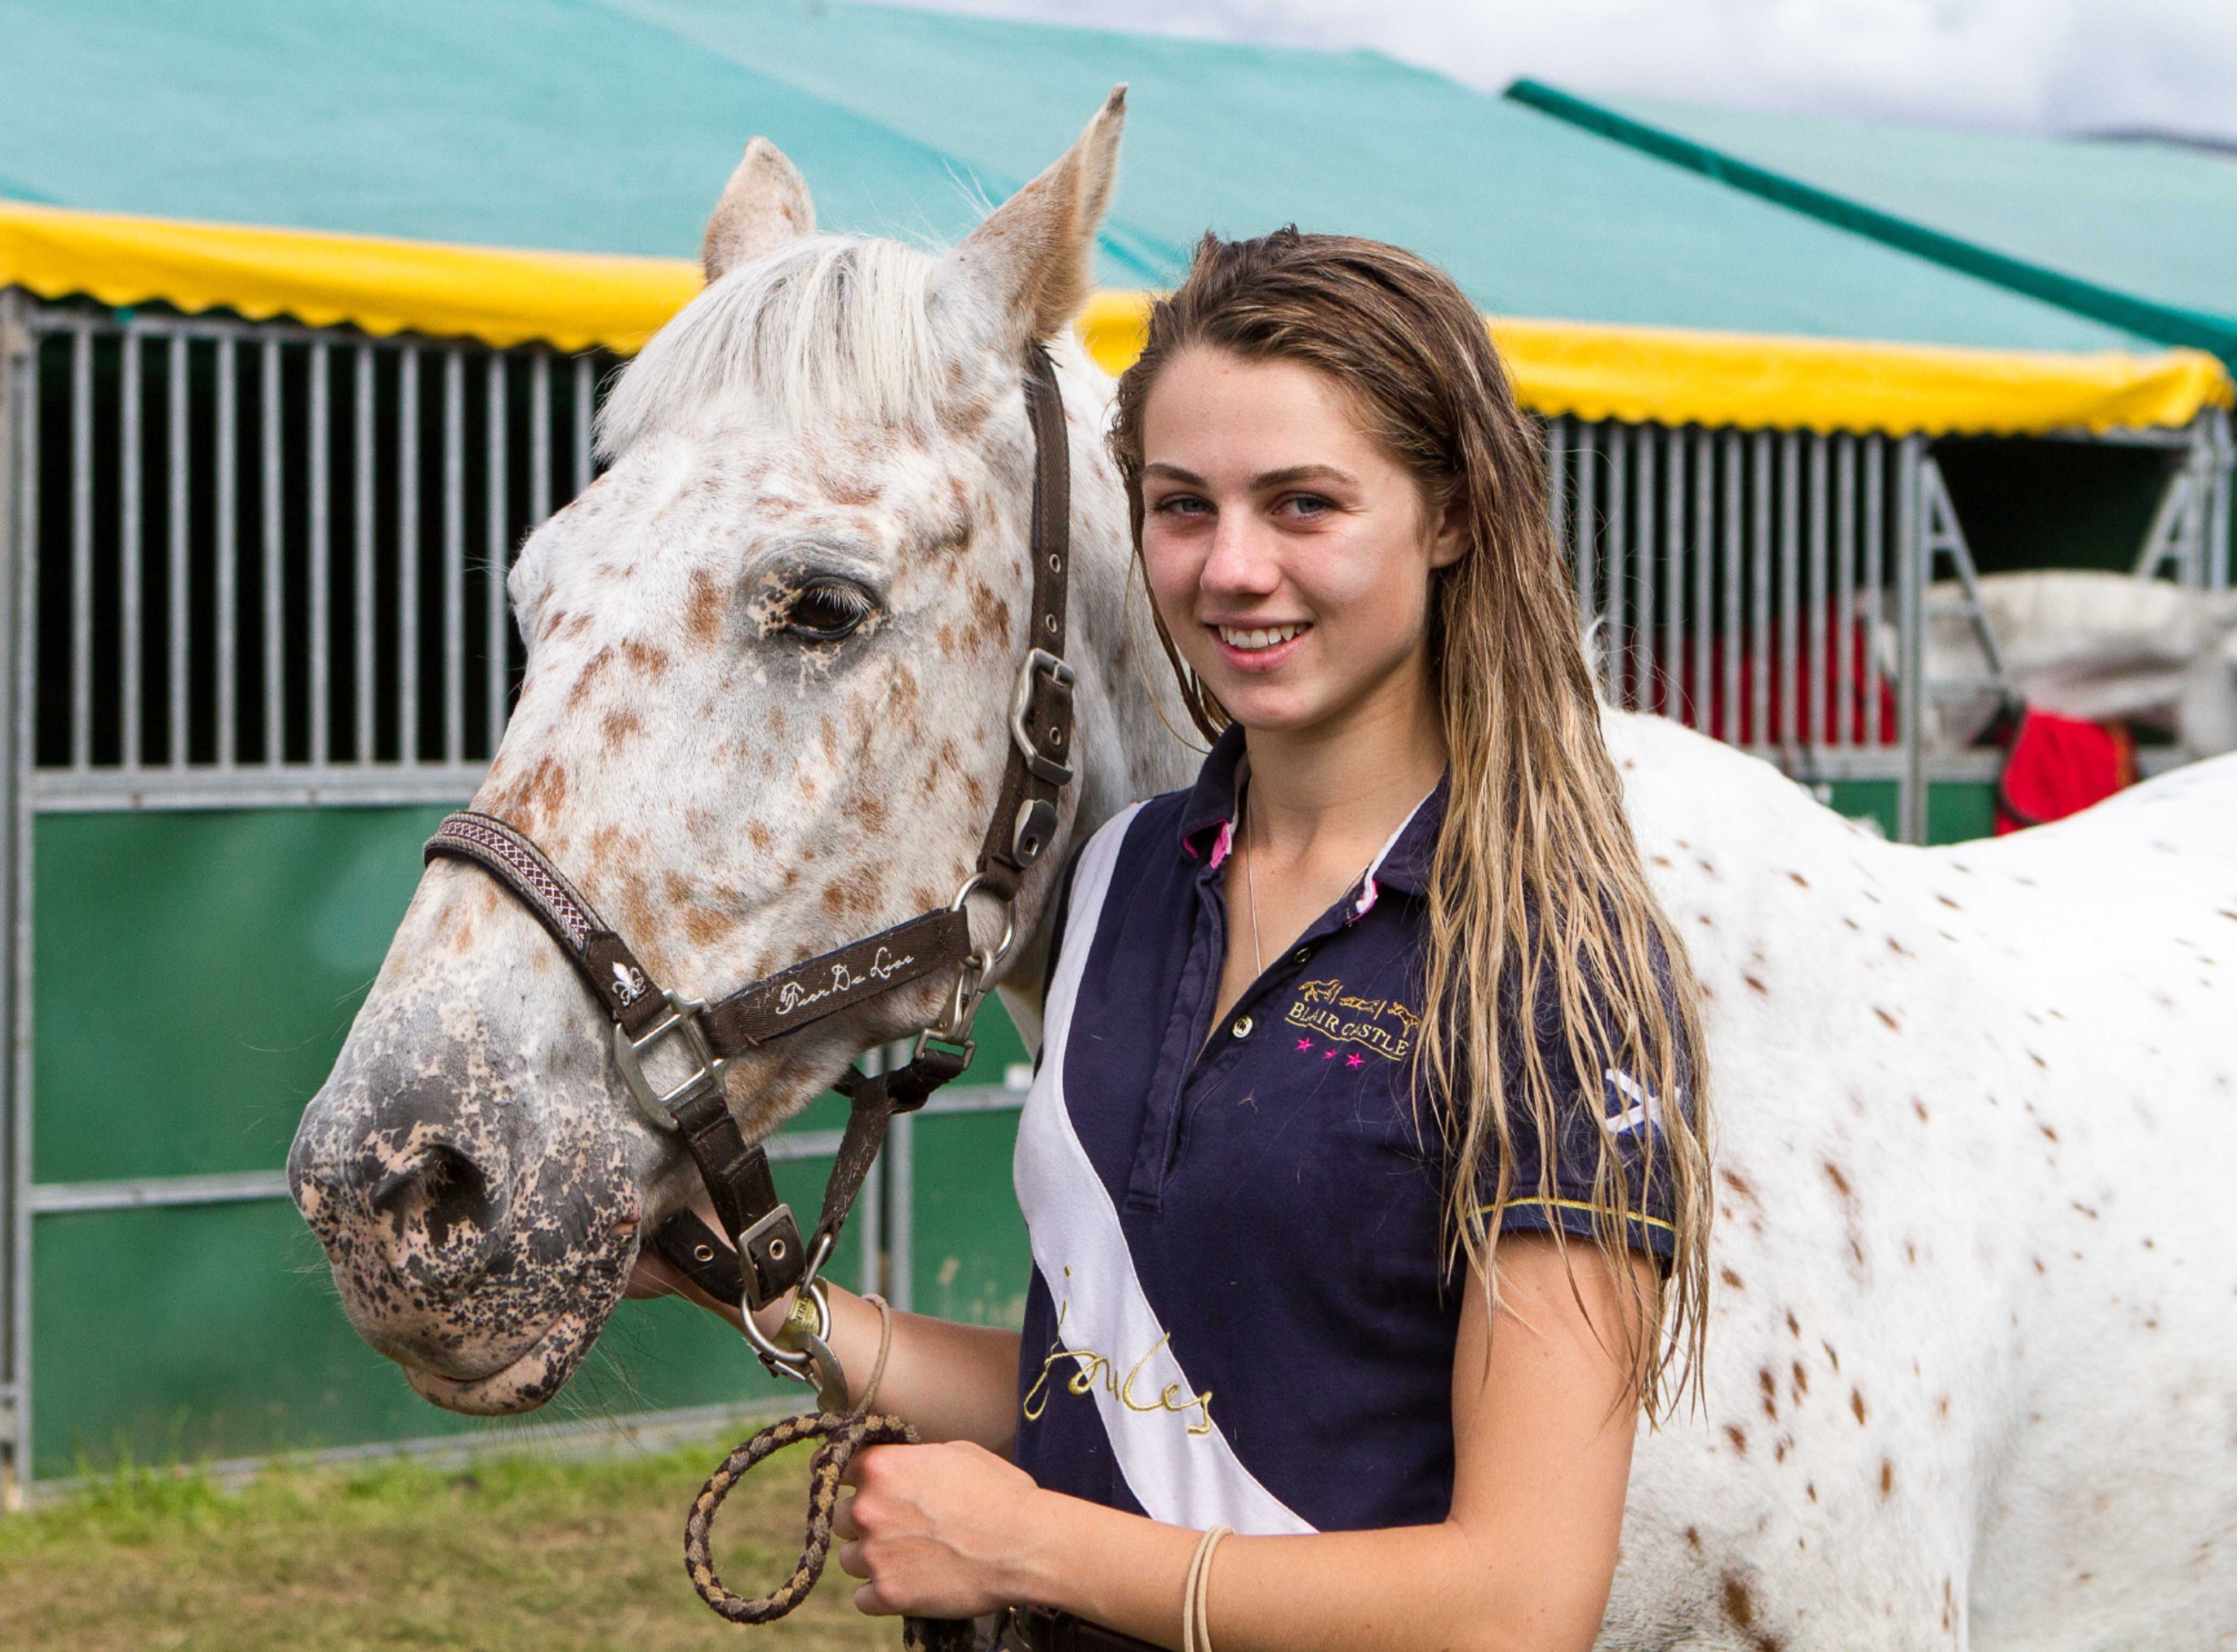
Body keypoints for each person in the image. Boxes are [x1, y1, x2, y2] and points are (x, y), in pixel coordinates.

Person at [642, 228, 1712, 1652]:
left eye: (1305, 503)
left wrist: (1033, 1544)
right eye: (1182, 505)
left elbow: (1517, 1601)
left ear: (1450, 515)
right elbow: (1105, 1389)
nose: (1233, 567)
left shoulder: (1556, 970)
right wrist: (764, 1289)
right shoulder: (1126, 876)